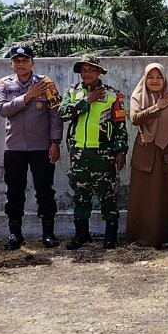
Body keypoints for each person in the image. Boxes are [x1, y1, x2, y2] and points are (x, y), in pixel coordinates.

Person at [0, 46, 63, 250]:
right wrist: (27, 96)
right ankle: (15, 234)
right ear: (11, 64)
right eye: (17, 60)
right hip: (14, 146)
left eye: (25, 60)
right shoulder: (3, 84)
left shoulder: (46, 83)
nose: (21, 64)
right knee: (14, 191)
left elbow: (55, 114)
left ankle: (48, 233)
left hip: (41, 147)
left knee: (45, 190)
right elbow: (3, 110)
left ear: (33, 63)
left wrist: (55, 142)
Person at [59, 54, 128, 250]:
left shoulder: (113, 94)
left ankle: (110, 237)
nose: (87, 73)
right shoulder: (72, 91)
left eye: (91, 69)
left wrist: (121, 151)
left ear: (99, 72)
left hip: (104, 154)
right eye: (83, 70)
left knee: (107, 195)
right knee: (81, 195)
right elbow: (62, 114)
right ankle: (81, 234)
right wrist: (86, 101)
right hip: (79, 153)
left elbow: (120, 124)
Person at [127, 62, 168, 248]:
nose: (155, 81)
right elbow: (135, 118)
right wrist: (157, 107)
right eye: (151, 77)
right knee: (144, 195)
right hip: (145, 152)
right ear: (145, 79)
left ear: (164, 79)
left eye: (159, 77)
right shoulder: (138, 97)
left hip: (167, 152)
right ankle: (144, 237)